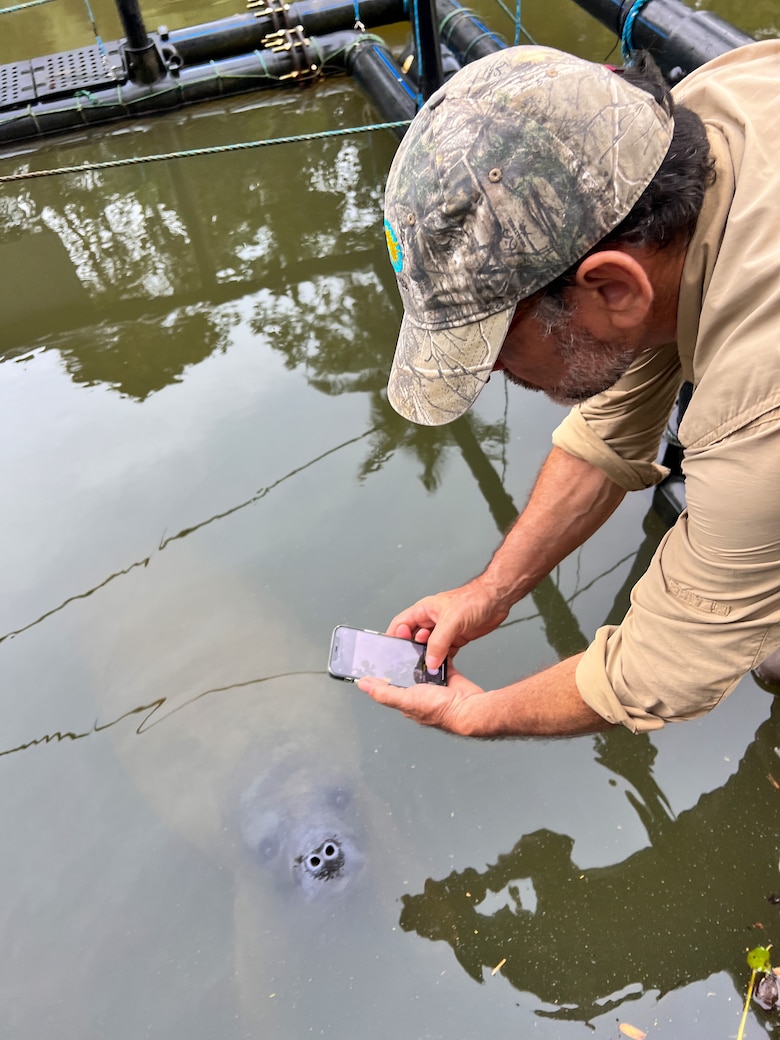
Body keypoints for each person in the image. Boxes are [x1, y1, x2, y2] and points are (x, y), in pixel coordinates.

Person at [357, 40, 780, 737]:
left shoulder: (758, 403)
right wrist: (490, 593)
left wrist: (477, 712)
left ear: (613, 288)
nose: (489, 369)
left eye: (495, 343)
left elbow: (659, 669)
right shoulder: (690, 130)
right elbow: (608, 434)